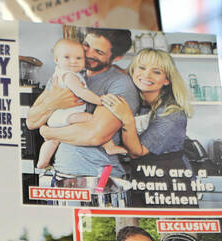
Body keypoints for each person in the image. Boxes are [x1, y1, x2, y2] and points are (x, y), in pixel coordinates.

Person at [26, 29, 140, 186]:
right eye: (86, 46)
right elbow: (31, 121)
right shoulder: (67, 73)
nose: (87, 53)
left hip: (99, 178)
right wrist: (53, 102)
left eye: (98, 51)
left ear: (116, 57)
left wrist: (49, 132)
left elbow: (94, 135)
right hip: (62, 174)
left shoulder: (120, 84)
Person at [35, 38, 127, 171]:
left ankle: (42, 162)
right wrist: (100, 100)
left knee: (53, 140)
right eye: (67, 57)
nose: (73, 61)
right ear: (56, 60)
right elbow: (82, 92)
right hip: (66, 114)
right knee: (92, 120)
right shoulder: (69, 76)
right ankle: (109, 147)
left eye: (78, 58)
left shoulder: (62, 73)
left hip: (56, 117)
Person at [100, 47, 192, 174]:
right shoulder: (138, 101)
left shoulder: (172, 114)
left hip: (168, 179)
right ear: (133, 71)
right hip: (140, 175)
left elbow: (137, 153)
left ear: (167, 80)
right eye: (142, 68)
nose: (146, 75)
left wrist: (127, 118)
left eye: (156, 72)